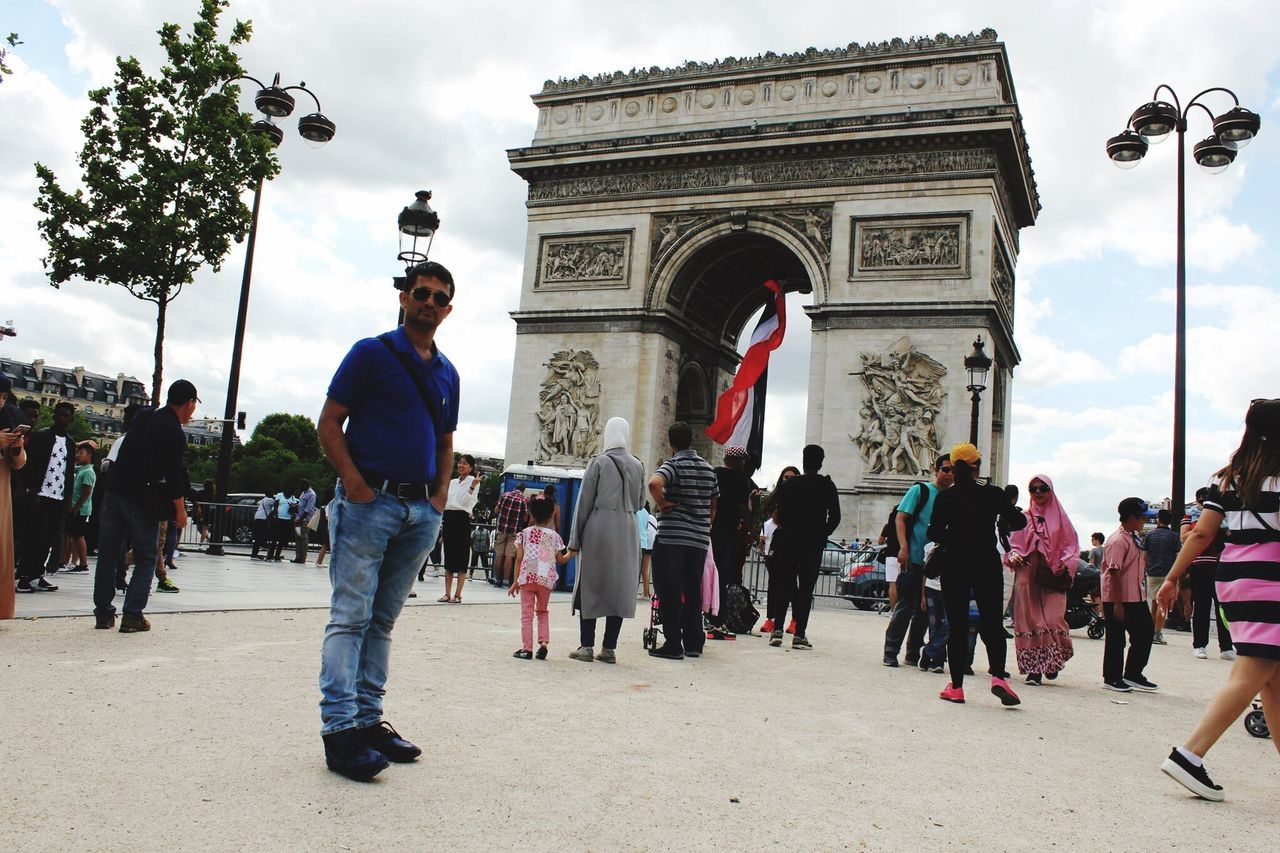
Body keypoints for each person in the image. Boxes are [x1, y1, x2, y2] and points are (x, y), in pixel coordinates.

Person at [316, 259, 457, 782]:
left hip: (420, 509)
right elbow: (329, 421)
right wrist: (354, 482)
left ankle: (369, 720)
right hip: (369, 501)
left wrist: (439, 498)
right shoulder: (370, 353)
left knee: (382, 622)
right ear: (404, 296)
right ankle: (339, 731)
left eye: (440, 297)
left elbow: (445, 441)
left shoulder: (447, 372)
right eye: (422, 292)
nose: (430, 303)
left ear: (448, 309)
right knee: (350, 617)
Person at [1156, 398, 1280, 802]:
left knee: (1273, 681)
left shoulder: (1228, 481)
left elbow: (1200, 534)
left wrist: (1173, 578)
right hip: (1272, 582)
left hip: (1234, 581)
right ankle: (1189, 755)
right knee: (1250, 675)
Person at [92, 380, 198, 632]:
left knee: (107, 554)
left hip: (115, 489)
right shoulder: (173, 432)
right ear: (189, 404)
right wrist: (181, 511)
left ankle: (103, 614)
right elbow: (173, 476)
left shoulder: (145, 415)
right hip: (142, 496)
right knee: (147, 555)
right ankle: (132, 615)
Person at [926, 443, 1026, 706]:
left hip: (954, 564)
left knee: (957, 625)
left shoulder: (945, 497)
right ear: (976, 468)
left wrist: (954, 535)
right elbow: (1019, 522)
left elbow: (933, 533)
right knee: (993, 623)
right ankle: (998, 678)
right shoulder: (992, 494)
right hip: (986, 563)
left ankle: (956, 686)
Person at [566, 416, 645, 664]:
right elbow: (642, 502)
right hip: (628, 528)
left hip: (599, 526)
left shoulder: (598, 462)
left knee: (591, 585)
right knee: (618, 588)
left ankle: (586, 646)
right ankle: (609, 648)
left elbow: (584, 504)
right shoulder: (638, 465)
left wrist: (574, 541)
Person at [647, 422, 718, 660]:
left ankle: (673, 644)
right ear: (692, 440)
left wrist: (663, 503)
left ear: (671, 443)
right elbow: (713, 504)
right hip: (698, 540)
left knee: (669, 591)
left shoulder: (673, 464)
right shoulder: (709, 469)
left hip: (671, 539)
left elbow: (654, 483)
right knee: (693, 591)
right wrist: (704, 525)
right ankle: (694, 643)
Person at [1004, 474, 1079, 684]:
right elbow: (1012, 546)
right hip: (1028, 573)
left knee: (1054, 619)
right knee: (1032, 621)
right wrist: (1013, 556)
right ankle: (1035, 670)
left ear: (1051, 491)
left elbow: (1071, 547)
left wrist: (1066, 562)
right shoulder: (1023, 518)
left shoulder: (1062, 519)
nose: (1038, 492)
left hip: (1053, 573)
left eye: (1043, 488)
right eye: (1033, 488)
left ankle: (1056, 654)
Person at [767, 444, 840, 649]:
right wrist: (821, 534)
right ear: (821, 462)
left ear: (803, 460)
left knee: (783, 585)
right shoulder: (827, 486)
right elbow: (835, 518)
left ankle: (778, 630)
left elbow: (779, 515)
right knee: (806, 590)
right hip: (812, 545)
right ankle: (799, 633)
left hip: (789, 541)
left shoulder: (789, 486)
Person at [883, 455, 953, 667]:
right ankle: (891, 650)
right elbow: (900, 518)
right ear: (935, 469)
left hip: (937, 562)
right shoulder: (920, 491)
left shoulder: (952, 497)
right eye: (945, 469)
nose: (949, 474)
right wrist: (903, 547)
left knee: (925, 609)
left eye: (953, 471)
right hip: (913, 556)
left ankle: (913, 651)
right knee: (906, 604)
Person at [1101, 497, 1158, 693]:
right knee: (1116, 639)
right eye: (1142, 518)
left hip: (1136, 596)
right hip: (1119, 597)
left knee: (1145, 632)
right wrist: (1117, 604)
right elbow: (1114, 571)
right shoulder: (1117, 540)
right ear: (1131, 517)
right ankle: (1112, 677)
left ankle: (1133, 673)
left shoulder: (1134, 537)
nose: (1144, 521)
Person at [17, 401, 75, 593]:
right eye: (58, 415)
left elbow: (68, 474)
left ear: (70, 419)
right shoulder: (42, 437)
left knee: (48, 538)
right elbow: (30, 466)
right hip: (41, 494)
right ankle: (24, 575)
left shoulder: (71, 444)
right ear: (54, 416)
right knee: (34, 536)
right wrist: (32, 491)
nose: (61, 418)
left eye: (65, 415)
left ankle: (36, 574)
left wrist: (67, 499)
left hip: (58, 497)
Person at [509, 495, 570, 660]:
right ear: (552, 514)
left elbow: (519, 558)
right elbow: (561, 560)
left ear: (530, 514)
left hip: (527, 577)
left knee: (526, 614)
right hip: (546, 578)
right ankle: (543, 643)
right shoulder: (555, 537)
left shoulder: (524, 534)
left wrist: (515, 581)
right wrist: (572, 552)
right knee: (542, 611)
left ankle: (526, 648)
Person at [707, 445, 756, 639]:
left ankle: (705, 616)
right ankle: (717, 621)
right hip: (728, 534)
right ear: (738, 461)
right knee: (723, 577)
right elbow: (744, 511)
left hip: (709, 530)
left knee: (707, 575)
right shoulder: (739, 480)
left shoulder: (713, 473)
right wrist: (754, 507)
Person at [1182, 487, 1233, 660]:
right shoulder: (1190, 515)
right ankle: (1200, 644)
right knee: (1202, 605)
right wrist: (1205, 528)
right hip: (1201, 563)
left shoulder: (1222, 513)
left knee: (1223, 606)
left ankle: (1226, 646)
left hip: (1221, 562)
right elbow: (1184, 537)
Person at [759, 465, 799, 635]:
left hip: (793, 542)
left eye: (792, 477)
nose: (788, 480)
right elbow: (769, 514)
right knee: (773, 582)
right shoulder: (777, 496)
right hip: (776, 543)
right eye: (786, 477)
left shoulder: (800, 497)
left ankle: (795, 619)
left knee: (791, 584)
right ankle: (770, 618)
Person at [1, 376, 29, 619]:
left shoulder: (7, 417)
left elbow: (19, 465)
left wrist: (16, 448)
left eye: (2, 398)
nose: (0, 402)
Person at [439, 454, 480, 603]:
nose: (460, 465)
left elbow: (466, 502)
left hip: (462, 518)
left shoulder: (473, 481)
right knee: (448, 555)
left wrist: (472, 486)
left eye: (464, 463)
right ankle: (447, 593)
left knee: (462, 556)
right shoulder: (452, 482)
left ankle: (458, 594)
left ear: (471, 467)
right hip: (449, 517)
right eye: (460, 462)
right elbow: (447, 501)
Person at [1145, 509, 1180, 645]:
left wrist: (1146, 569)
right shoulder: (1173, 536)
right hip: (1168, 573)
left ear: (1158, 519)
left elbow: (1145, 556)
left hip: (1152, 573)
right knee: (1163, 604)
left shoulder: (1150, 535)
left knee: (1154, 602)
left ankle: (1151, 631)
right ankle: (1157, 633)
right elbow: (1178, 555)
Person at [63, 442, 97, 573]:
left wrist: (77, 506)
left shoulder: (88, 472)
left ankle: (83, 563)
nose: (78, 455)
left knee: (78, 535)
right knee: (74, 535)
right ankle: (79, 562)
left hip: (80, 509)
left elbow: (86, 492)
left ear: (89, 456)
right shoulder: (81, 469)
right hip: (76, 507)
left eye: (81, 453)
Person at [492, 485, 528, 588]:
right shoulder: (524, 500)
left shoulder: (504, 495)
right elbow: (525, 519)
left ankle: (497, 579)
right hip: (514, 532)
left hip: (501, 530)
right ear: (523, 490)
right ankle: (506, 581)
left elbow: (496, 511)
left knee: (499, 555)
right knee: (509, 556)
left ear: (514, 488)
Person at [292, 479, 317, 563]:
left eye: (301, 486)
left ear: (305, 485)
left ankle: (303, 557)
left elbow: (308, 509)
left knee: (303, 537)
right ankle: (298, 556)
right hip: (298, 518)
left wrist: (300, 519)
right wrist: (296, 505)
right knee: (298, 537)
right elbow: (302, 505)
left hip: (304, 520)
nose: (300, 488)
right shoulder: (303, 493)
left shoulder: (311, 494)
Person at [269, 488, 296, 562]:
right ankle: (270, 555)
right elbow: (275, 506)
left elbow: (294, 510)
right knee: (274, 538)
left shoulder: (293, 498)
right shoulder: (280, 495)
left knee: (282, 539)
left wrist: (293, 507)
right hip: (278, 519)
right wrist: (276, 517)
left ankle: (277, 556)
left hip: (287, 519)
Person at [251, 491, 275, 560]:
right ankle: (260, 549)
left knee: (257, 536)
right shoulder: (270, 500)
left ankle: (254, 553)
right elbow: (277, 504)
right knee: (262, 535)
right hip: (263, 519)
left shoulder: (262, 500)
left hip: (257, 518)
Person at [636, 502, 653, 599]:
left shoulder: (635, 510)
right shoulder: (646, 513)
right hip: (644, 543)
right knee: (639, 570)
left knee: (632, 568)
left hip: (635, 541)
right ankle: (634, 591)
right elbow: (646, 527)